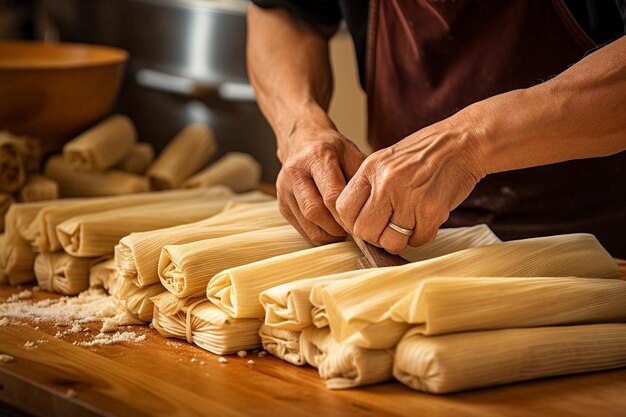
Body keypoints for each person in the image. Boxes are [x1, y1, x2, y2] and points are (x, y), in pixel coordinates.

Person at [247, 0, 626, 257]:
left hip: (601, 251)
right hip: (408, 245)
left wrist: (468, 143)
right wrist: (301, 126)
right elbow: (286, 11)